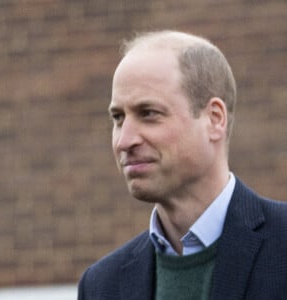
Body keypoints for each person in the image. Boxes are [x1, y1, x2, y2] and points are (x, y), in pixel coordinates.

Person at [78, 30, 287, 300]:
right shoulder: (101, 285)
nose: (124, 141)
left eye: (148, 114)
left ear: (214, 119)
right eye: (118, 118)